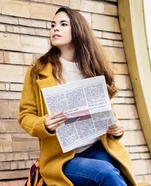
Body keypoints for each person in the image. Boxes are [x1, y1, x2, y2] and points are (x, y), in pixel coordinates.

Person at [18, 6, 139, 186]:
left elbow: (107, 112)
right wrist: (44, 124)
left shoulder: (93, 68)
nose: (55, 28)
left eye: (63, 24)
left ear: (77, 30)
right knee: (106, 174)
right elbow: (25, 115)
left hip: (97, 147)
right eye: (52, 25)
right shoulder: (38, 70)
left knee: (116, 171)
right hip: (62, 157)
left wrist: (117, 129)